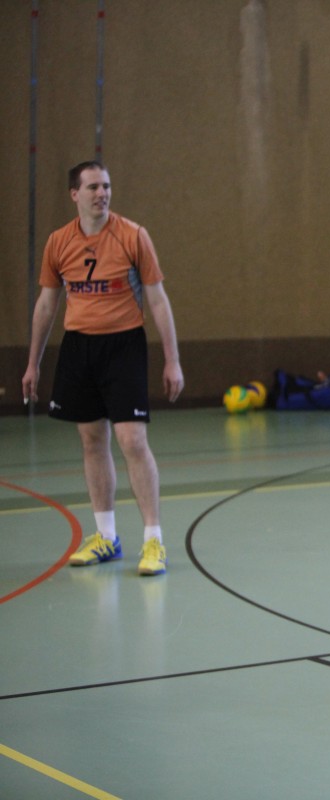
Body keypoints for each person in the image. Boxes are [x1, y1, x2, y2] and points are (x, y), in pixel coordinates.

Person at [22, 161, 184, 577]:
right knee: (92, 440)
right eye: (93, 187)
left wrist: (172, 359)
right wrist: (32, 363)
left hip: (124, 346)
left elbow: (158, 299)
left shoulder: (133, 236)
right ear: (74, 194)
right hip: (79, 347)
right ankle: (106, 536)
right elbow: (47, 304)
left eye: (107, 186)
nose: (102, 193)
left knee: (132, 440)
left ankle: (153, 540)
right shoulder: (59, 242)